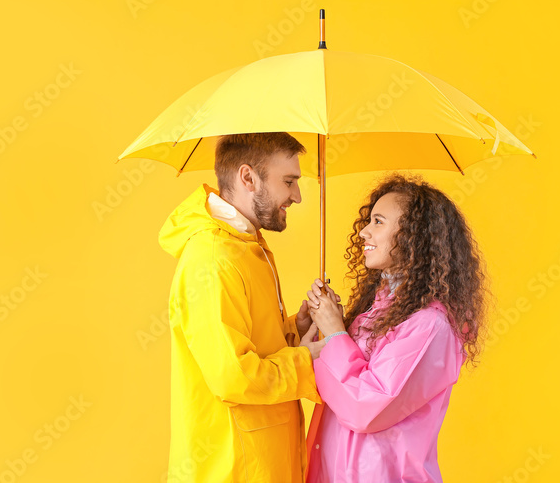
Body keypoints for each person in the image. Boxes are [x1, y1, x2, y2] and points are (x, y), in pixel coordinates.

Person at [159, 132, 325, 483]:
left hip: (264, 464)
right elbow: (234, 376)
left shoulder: (247, 246)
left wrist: (298, 326)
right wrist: (307, 359)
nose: (296, 196)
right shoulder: (213, 260)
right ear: (248, 177)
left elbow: (255, 344)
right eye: (289, 181)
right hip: (233, 470)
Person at [300, 174, 487, 483]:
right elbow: (339, 386)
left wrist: (334, 332)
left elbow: (366, 409)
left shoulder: (430, 326)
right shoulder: (375, 310)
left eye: (378, 222)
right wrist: (315, 335)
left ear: (414, 236)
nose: (363, 232)